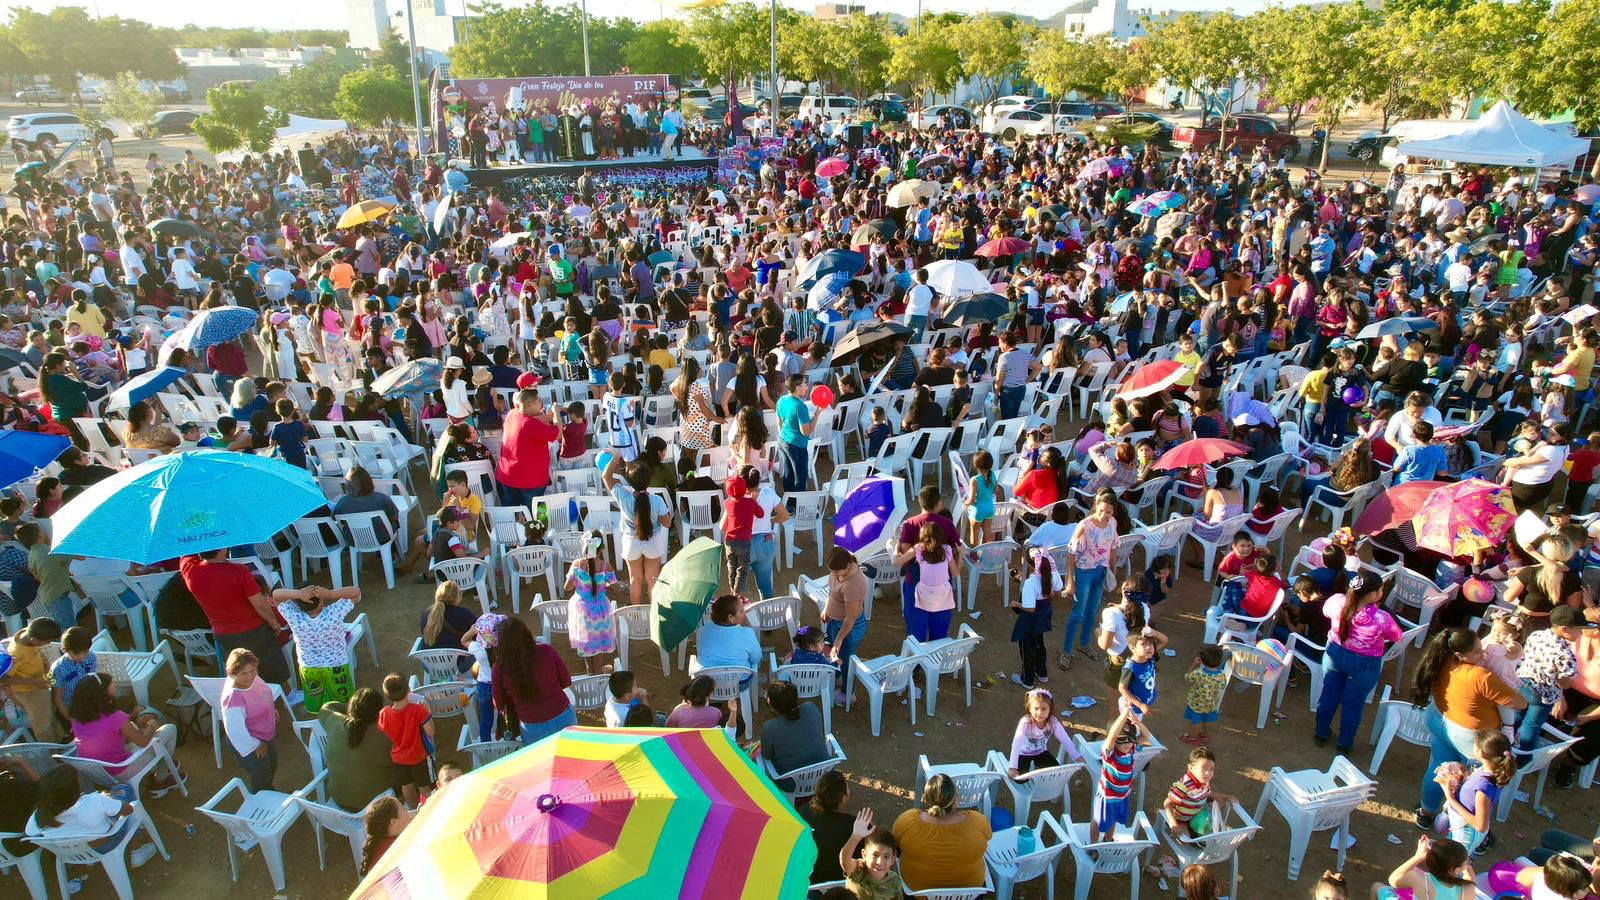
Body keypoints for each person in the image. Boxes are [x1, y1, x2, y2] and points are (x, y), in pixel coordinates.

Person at [1413, 628, 1526, 829]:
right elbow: (1520, 703)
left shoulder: (1441, 660)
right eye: (1477, 652)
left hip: (1439, 720)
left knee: (1438, 768)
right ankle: (1461, 826)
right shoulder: (1481, 676)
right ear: (1459, 654)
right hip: (1469, 737)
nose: (1483, 654)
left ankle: (1426, 813)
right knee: (1472, 784)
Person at [180, 549, 298, 687]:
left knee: (240, 672)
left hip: (223, 634)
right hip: (254, 630)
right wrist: (273, 622)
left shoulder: (190, 569)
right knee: (273, 670)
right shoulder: (238, 571)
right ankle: (287, 697)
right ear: (221, 550)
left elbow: (186, 551)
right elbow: (260, 605)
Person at [1315, 572, 1404, 753]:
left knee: (1328, 696)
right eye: (1380, 589)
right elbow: (1396, 636)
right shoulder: (1381, 618)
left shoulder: (1336, 602)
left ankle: (1320, 733)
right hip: (1365, 663)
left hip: (1334, 655)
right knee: (1353, 704)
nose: (1382, 592)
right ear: (1372, 595)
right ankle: (1344, 743)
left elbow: (1325, 612)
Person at [67, 672, 183, 796]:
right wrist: (152, 727)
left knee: (132, 728)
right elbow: (143, 742)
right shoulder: (116, 716)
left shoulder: (76, 717)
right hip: (123, 770)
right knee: (170, 729)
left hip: (98, 773)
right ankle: (160, 780)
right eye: (111, 684)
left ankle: (160, 766)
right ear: (103, 693)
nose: (115, 686)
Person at [890, 773, 991, 892]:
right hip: (970, 893)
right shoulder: (978, 821)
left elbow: (894, 843)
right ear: (955, 798)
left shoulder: (907, 821)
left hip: (918, 894)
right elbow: (988, 837)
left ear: (926, 799)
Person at [275, 584, 363, 712]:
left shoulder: (294, 616)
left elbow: (276, 595)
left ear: (297, 603)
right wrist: (329, 593)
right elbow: (356, 592)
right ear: (321, 600)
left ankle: (322, 722)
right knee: (345, 705)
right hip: (336, 667)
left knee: (317, 705)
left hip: (309, 668)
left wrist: (299, 594)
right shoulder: (334, 612)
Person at [494, 616, 575, 745]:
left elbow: (499, 703)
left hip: (531, 726)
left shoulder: (499, 667)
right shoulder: (547, 651)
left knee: (543, 764)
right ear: (526, 633)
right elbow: (565, 681)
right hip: (562, 716)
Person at [1063, 491, 1119, 669]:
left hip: (1101, 570)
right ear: (1096, 505)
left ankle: (1084, 643)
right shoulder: (1084, 525)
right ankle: (1066, 650)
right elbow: (1071, 553)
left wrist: (1113, 570)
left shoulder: (1112, 523)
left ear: (1113, 512)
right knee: (1078, 611)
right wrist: (1070, 581)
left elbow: (1113, 549)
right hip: (1084, 571)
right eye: (1101, 510)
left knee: (1092, 610)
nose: (1104, 515)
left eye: (1108, 512)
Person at [317, 688, 398, 812]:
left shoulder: (335, 723)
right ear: (378, 712)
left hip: (339, 800)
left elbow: (326, 707)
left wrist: (355, 710)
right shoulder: (387, 733)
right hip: (375, 805)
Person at [1436, 729, 1514, 855]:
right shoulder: (1493, 770)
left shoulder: (1483, 786)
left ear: (1481, 753)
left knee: (1454, 864)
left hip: (1466, 833)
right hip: (1461, 825)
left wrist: (1450, 798)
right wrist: (1463, 774)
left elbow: (1480, 826)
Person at [220, 648, 280, 792]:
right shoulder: (233, 699)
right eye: (243, 673)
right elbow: (235, 731)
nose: (249, 677)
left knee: (272, 764)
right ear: (231, 674)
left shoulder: (254, 679)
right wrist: (255, 746)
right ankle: (264, 801)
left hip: (264, 735)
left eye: (253, 670)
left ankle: (269, 793)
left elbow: (263, 694)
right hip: (251, 742)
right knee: (261, 775)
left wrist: (272, 711)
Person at [892, 522, 958, 641]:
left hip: (924, 595)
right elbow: (955, 573)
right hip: (942, 595)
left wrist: (897, 548)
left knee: (917, 630)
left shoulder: (919, 548)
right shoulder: (947, 549)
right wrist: (961, 554)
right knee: (939, 634)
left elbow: (896, 562)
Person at [759, 681, 829, 789]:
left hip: (792, 784)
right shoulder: (811, 708)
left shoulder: (770, 727)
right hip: (824, 776)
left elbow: (766, 755)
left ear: (773, 707)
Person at [378, 672, 434, 806]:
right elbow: (431, 731)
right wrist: (427, 712)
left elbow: (383, 728)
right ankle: (425, 810)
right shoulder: (418, 710)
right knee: (424, 788)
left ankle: (414, 810)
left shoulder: (384, 713)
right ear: (408, 690)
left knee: (406, 786)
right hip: (419, 756)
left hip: (399, 757)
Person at [565, 532, 617, 675]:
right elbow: (616, 587)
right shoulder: (607, 567)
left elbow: (567, 587)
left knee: (587, 647)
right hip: (600, 612)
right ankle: (599, 676)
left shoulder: (577, 565)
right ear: (602, 548)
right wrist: (603, 585)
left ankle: (591, 676)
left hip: (582, 613)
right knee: (599, 648)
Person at [1161, 747, 1239, 840]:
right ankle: (1199, 832)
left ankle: (1202, 829)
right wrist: (1173, 824)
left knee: (1220, 801)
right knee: (1187, 839)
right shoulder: (1184, 786)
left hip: (1196, 814)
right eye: (1203, 768)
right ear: (1190, 768)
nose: (1208, 773)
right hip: (1180, 819)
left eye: (1211, 769)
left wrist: (1227, 796)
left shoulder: (1204, 781)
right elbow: (1167, 803)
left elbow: (1207, 793)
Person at [1005, 687, 1082, 776]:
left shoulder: (1053, 722)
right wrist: (1013, 766)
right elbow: (1016, 743)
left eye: (1044, 709)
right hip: (1023, 753)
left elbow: (1065, 739)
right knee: (1020, 778)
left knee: (1055, 774)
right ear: (1029, 709)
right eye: (1036, 708)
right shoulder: (1025, 722)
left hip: (1041, 752)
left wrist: (1077, 756)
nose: (1040, 713)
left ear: (1050, 709)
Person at [1372, 837, 1474, 900]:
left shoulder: (1419, 879)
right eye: (1466, 862)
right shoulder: (1468, 889)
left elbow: (1393, 880)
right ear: (1455, 870)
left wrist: (1418, 856)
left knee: (1376, 886)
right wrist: (1471, 878)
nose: (1468, 864)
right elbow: (1468, 884)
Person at [801, 771, 856, 885]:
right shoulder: (852, 826)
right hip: (838, 880)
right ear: (844, 798)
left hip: (807, 877)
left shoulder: (805, 810)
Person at [824, 547, 869, 675]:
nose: (833, 575)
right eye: (831, 571)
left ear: (848, 566)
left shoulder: (853, 585)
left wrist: (838, 641)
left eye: (836, 572)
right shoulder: (838, 569)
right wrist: (826, 608)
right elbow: (833, 592)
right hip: (834, 622)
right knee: (834, 654)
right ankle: (837, 677)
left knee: (844, 660)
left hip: (848, 628)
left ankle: (848, 691)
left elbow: (850, 618)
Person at [840, 810, 905, 899]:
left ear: (893, 860)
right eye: (875, 855)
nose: (879, 862)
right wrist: (855, 837)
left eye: (886, 857)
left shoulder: (895, 882)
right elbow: (845, 861)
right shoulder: (859, 870)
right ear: (864, 855)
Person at [1181, 644, 1228, 745]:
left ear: (1201, 661)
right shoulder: (1222, 675)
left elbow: (1187, 677)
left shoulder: (1198, 672)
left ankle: (1192, 738)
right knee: (1208, 720)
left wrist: (1194, 664)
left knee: (1196, 721)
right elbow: (1223, 686)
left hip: (1196, 704)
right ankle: (1205, 737)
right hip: (1211, 705)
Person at [360, 796, 411, 875]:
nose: (407, 810)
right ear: (393, 821)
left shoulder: (378, 842)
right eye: (403, 808)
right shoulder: (398, 849)